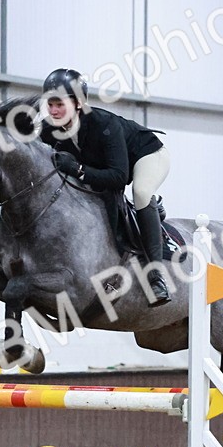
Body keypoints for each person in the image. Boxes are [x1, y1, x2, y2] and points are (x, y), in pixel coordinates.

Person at [39, 68, 172, 307]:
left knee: (141, 192)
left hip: (146, 155)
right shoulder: (48, 130)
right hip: (105, 166)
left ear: (78, 103)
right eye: (50, 104)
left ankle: (155, 275)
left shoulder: (104, 124)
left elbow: (119, 177)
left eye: (59, 104)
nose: (53, 111)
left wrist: (79, 169)